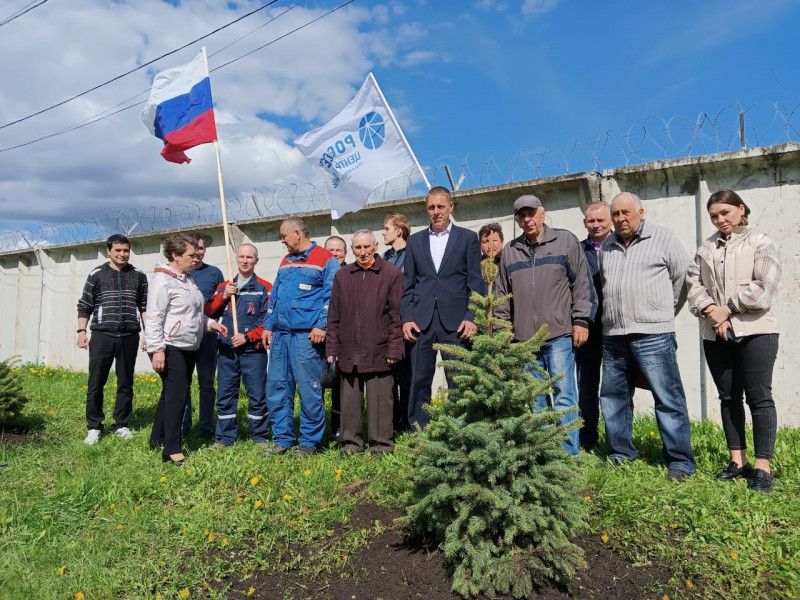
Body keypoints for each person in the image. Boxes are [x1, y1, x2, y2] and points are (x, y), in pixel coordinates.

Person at [686, 190, 781, 492]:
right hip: (716, 333)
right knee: (728, 397)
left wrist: (728, 307)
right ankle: (738, 461)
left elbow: (764, 289)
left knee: (759, 397)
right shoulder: (705, 248)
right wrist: (713, 312)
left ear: (741, 209)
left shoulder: (761, 243)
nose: (720, 220)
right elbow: (693, 285)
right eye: (714, 215)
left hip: (756, 331)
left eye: (725, 212)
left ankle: (763, 466)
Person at [599, 192, 696, 480]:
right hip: (614, 334)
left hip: (653, 333)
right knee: (614, 397)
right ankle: (620, 453)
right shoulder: (608, 244)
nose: (621, 219)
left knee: (667, 397)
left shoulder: (662, 238)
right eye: (616, 214)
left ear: (642, 211)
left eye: (626, 212)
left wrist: (663, 312)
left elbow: (684, 279)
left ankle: (679, 461)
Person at [495, 195, 595, 456]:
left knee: (564, 395)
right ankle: (544, 454)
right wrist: (503, 330)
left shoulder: (565, 242)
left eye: (531, 213)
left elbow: (582, 283)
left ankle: (567, 454)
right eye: (521, 215)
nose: (527, 219)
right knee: (536, 399)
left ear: (543, 213)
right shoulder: (509, 251)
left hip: (559, 334)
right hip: (524, 339)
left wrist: (581, 320)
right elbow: (501, 295)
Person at [401, 186, 485, 428]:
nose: (436, 212)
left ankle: (462, 431)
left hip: (457, 323)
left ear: (451, 207)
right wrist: (407, 318)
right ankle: (420, 433)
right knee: (419, 380)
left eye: (440, 206)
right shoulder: (415, 242)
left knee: (459, 379)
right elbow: (408, 285)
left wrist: (471, 317)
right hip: (421, 322)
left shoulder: (468, 239)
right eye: (431, 207)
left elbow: (475, 283)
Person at [145, 233, 227, 465]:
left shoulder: (186, 279)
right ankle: (171, 450)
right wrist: (158, 349)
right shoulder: (163, 281)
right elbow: (155, 317)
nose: (195, 258)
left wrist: (210, 324)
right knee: (177, 396)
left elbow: (191, 314)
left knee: (170, 394)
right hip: (171, 347)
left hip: (189, 343)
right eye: (190, 255)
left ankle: (156, 439)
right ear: (175, 255)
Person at [261, 218, 340, 455]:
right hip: (281, 336)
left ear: (297, 233)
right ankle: (283, 439)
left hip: (306, 337)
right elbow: (275, 296)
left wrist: (321, 325)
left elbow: (333, 297)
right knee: (277, 387)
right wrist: (268, 326)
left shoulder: (326, 260)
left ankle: (308, 442)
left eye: (283, 236)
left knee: (308, 389)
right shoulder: (286, 261)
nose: (281, 240)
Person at [327, 230, 403, 453]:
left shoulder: (391, 274)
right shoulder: (342, 276)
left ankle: (381, 445)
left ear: (376, 246)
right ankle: (351, 444)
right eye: (357, 248)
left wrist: (394, 348)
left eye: (366, 247)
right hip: (348, 349)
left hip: (379, 348)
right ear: (352, 250)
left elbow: (396, 315)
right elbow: (333, 316)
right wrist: (331, 348)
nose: (362, 252)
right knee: (349, 403)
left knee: (381, 401)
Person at [76, 233, 148, 445]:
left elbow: (144, 308)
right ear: (108, 251)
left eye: (125, 250)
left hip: (129, 335)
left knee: (126, 382)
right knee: (96, 382)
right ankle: (94, 426)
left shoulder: (139, 275)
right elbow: (85, 304)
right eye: (117, 250)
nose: (122, 254)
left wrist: (148, 334)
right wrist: (81, 331)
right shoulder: (96, 274)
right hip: (102, 335)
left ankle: (121, 424)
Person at [205, 244, 272, 447]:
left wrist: (248, 336)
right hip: (226, 351)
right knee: (226, 393)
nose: (245, 261)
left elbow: (268, 321)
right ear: (236, 259)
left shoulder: (264, 288)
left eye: (249, 257)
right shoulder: (224, 287)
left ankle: (259, 436)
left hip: (253, 352)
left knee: (257, 394)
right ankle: (224, 438)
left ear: (256, 261)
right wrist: (224, 296)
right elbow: (209, 312)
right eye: (241, 257)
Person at [575, 202, 613, 451]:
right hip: (588, 328)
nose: (596, 225)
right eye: (591, 221)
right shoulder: (577, 251)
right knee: (586, 386)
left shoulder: (621, 245)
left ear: (610, 220)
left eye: (601, 220)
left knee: (615, 389)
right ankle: (587, 439)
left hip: (615, 328)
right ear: (585, 223)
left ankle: (617, 443)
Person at [182, 232, 224, 440]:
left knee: (207, 383)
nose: (198, 253)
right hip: (185, 337)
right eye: (195, 249)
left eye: (201, 249)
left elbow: (221, 305)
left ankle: (206, 427)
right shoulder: (180, 274)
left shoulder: (214, 273)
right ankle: (184, 423)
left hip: (207, 337)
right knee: (183, 382)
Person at [382, 213, 411, 432]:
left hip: (407, 323)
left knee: (408, 377)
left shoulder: (413, 254)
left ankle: (409, 421)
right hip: (387, 325)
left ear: (398, 231)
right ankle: (392, 422)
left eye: (387, 228)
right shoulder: (385, 257)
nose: (384, 232)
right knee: (390, 377)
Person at [324, 235, 348, 439]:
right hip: (319, 337)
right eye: (330, 250)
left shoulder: (351, 274)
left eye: (338, 250)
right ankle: (317, 430)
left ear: (345, 253)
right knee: (319, 385)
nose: (334, 254)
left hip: (344, 341)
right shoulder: (319, 274)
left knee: (341, 388)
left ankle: (339, 428)